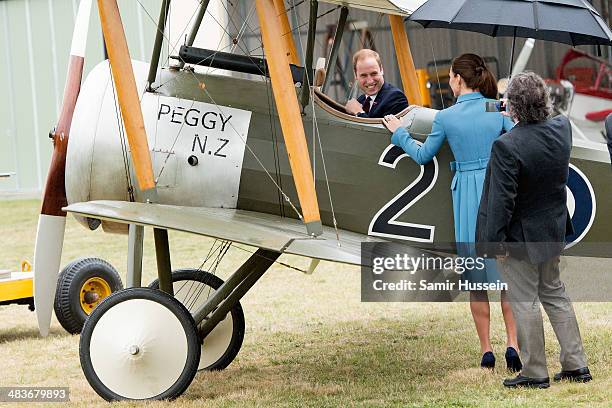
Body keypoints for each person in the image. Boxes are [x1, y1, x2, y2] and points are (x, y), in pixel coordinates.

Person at [383, 53, 521, 371]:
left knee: (476, 278)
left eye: (450, 76)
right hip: (497, 190)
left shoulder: (446, 116)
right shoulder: (495, 107)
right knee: (506, 277)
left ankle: (487, 350)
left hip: (467, 195)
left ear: (459, 79)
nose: (448, 81)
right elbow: (517, 135)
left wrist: (398, 132)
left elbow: (422, 155)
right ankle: (512, 344)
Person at [476, 72, 591, 389]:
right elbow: (539, 121)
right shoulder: (561, 128)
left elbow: (501, 202)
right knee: (555, 294)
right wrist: (516, 110)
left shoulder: (506, 146)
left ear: (513, 107)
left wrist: (494, 242)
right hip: (552, 229)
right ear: (544, 100)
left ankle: (535, 371)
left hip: (520, 239)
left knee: (524, 301)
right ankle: (576, 363)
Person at [345, 49, 408, 118]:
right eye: (364, 75)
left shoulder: (395, 97)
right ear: (355, 75)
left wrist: (359, 112)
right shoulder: (360, 100)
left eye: (373, 74)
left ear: (381, 70)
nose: (370, 81)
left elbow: (387, 128)